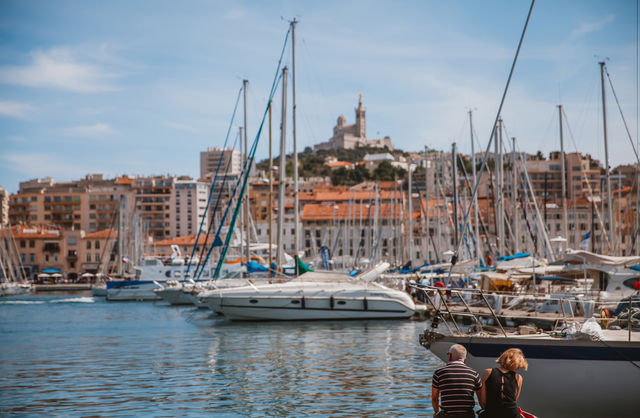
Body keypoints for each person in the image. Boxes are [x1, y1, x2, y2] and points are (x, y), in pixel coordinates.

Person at [432, 344, 482, 418]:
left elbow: (435, 398)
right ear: (465, 359)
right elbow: (481, 400)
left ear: (450, 356)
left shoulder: (439, 373)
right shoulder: (474, 373)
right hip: (468, 415)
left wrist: (437, 412)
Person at [478, 348, 528, 418]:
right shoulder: (518, 378)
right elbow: (514, 399)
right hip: (512, 414)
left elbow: (483, 401)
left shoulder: (487, 372)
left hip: (491, 412)